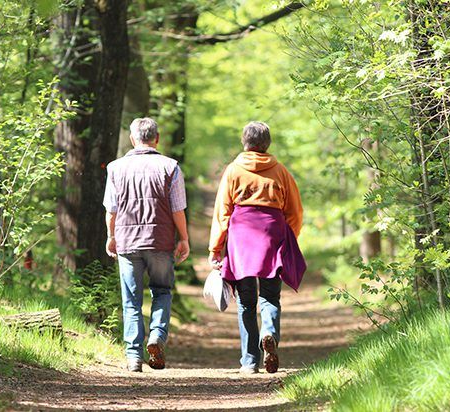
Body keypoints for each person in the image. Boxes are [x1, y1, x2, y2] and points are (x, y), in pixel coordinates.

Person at [208, 121, 306, 374]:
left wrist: (215, 248)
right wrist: (289, 237)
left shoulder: (233, 170)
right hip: (272, 235)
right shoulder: (280, 171)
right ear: (267, 143)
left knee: (246, 301)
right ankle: (269, 333)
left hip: (241, 237)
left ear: (245, 142)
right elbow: (295, 211)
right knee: (270, 296)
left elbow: (222, 212)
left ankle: (250, 361)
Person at [103, 117, 190, 373]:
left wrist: (111, 236)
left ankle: (133, 356)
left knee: (131, 300)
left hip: (128, 243)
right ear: (157, 139)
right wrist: (184, 238)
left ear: (133, 139)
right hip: (160, 241)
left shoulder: (115, 168)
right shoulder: (171, 167)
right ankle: (157, 337)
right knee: (162, 291)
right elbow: (177, 209)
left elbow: (111, 210)